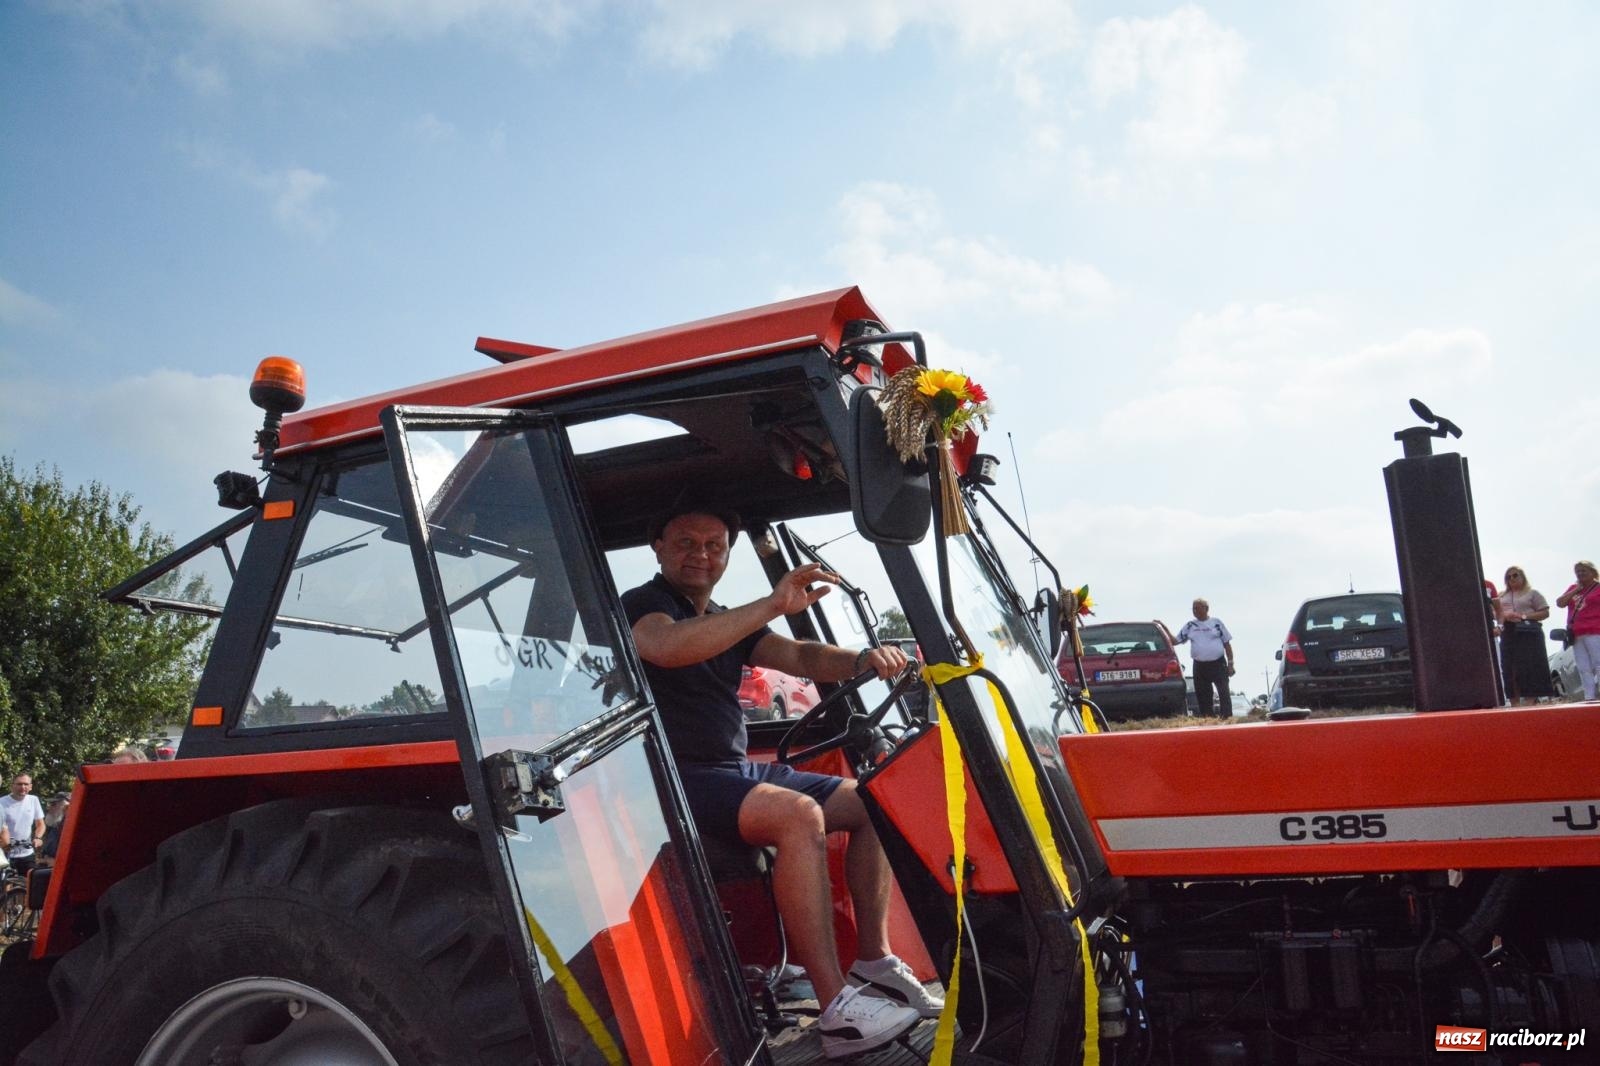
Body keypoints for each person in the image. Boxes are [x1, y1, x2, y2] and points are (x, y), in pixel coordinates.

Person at [621, 504, 937, 1059]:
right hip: (673, 776)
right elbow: (665, 648)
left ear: (728, 552)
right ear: (659, 547)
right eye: (687, 543)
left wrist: (864, 659)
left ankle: (875, 960)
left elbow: (798, 654)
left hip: (729, 769)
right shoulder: (644, 605)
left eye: (715, 544)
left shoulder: (722, 614)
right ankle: (834, 1003)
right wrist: (771, 602)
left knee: (873, 801)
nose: (702, 554)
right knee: (799, 815)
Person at [1495, 566, 1553, 705]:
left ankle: (1530, 700)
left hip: (1529, 631)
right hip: (1509, 631)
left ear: (1522, 576)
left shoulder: (1533, 593)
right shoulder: (1502, 595)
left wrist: (1523, 616)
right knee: (1509, 666)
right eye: (1508, 577)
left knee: (1530, 665)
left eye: (1515, 575)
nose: (1512, 579)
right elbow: (1495, 612)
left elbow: (1544, 612)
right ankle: (1514, 702)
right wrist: (1503, 617)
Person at [1176, 598, 1234, 717]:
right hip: (1200, 665)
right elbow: (1175, 640)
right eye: (1193, 608)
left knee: (1223, 691)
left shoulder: (1216, 623)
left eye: (1197, 608)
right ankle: (1208, 718)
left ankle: (1227, 718)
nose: (1195, 611)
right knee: (1203, 695)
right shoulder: (1190, 625)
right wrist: (1163, 628)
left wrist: (1231, 664)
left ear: (1206, 609)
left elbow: (1227, 644)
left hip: (1218, 663)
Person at [1555, 560, 1600, 701]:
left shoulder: (1598, 588)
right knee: (1583, 667)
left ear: (1593, 572)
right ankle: (1589, 696)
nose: (1580, 574)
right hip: (1577, 633)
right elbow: (1560, 603)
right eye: (1578, 571)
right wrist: (1576, 590)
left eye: (1584, 571)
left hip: (1595, 630)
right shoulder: (1573, 588)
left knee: (1598, 663)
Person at [0, 774, 47, 877]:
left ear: (30, 786)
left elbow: (40, 824)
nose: (23, 787)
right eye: (19, 784)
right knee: (6, 885)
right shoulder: (2, 803)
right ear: (12, 786)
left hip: (26, 852)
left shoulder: (33, 800)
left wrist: (38, 838)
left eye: (26, 784)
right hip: (6, 853)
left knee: (31, 884)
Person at [38, 793, 69, 866]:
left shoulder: (69, 829)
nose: (49, 808)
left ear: (66, 807)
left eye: (54, 804)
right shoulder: (55, 826)